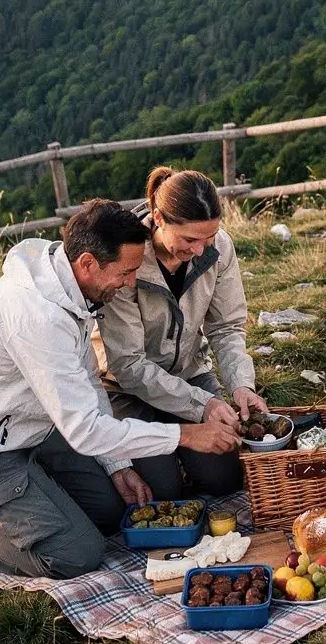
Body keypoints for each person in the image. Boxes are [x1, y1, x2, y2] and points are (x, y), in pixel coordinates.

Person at [0, 199, 238, 594]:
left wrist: (117, 464)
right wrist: (185, 435)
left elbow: (89, 382)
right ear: (88, 263)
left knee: (111, 512)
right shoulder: (37, 315)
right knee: (76, 554)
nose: (129, 283)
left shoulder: (70, 287)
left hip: (31, 428)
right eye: (124, 273)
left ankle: (30, 497)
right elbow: (86, 430)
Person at [100, 166, 268, 497]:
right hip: (128, 390)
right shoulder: (127, 261)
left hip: (190, 377)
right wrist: (203, 405)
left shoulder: (219, 248)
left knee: (225, 479)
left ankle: (182, 454)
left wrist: (240, 385)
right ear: (159, 217)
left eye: (209, 238)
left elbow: (227, 327)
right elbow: (129, 366)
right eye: (190, 239)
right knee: (163, 490)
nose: (201, 250)